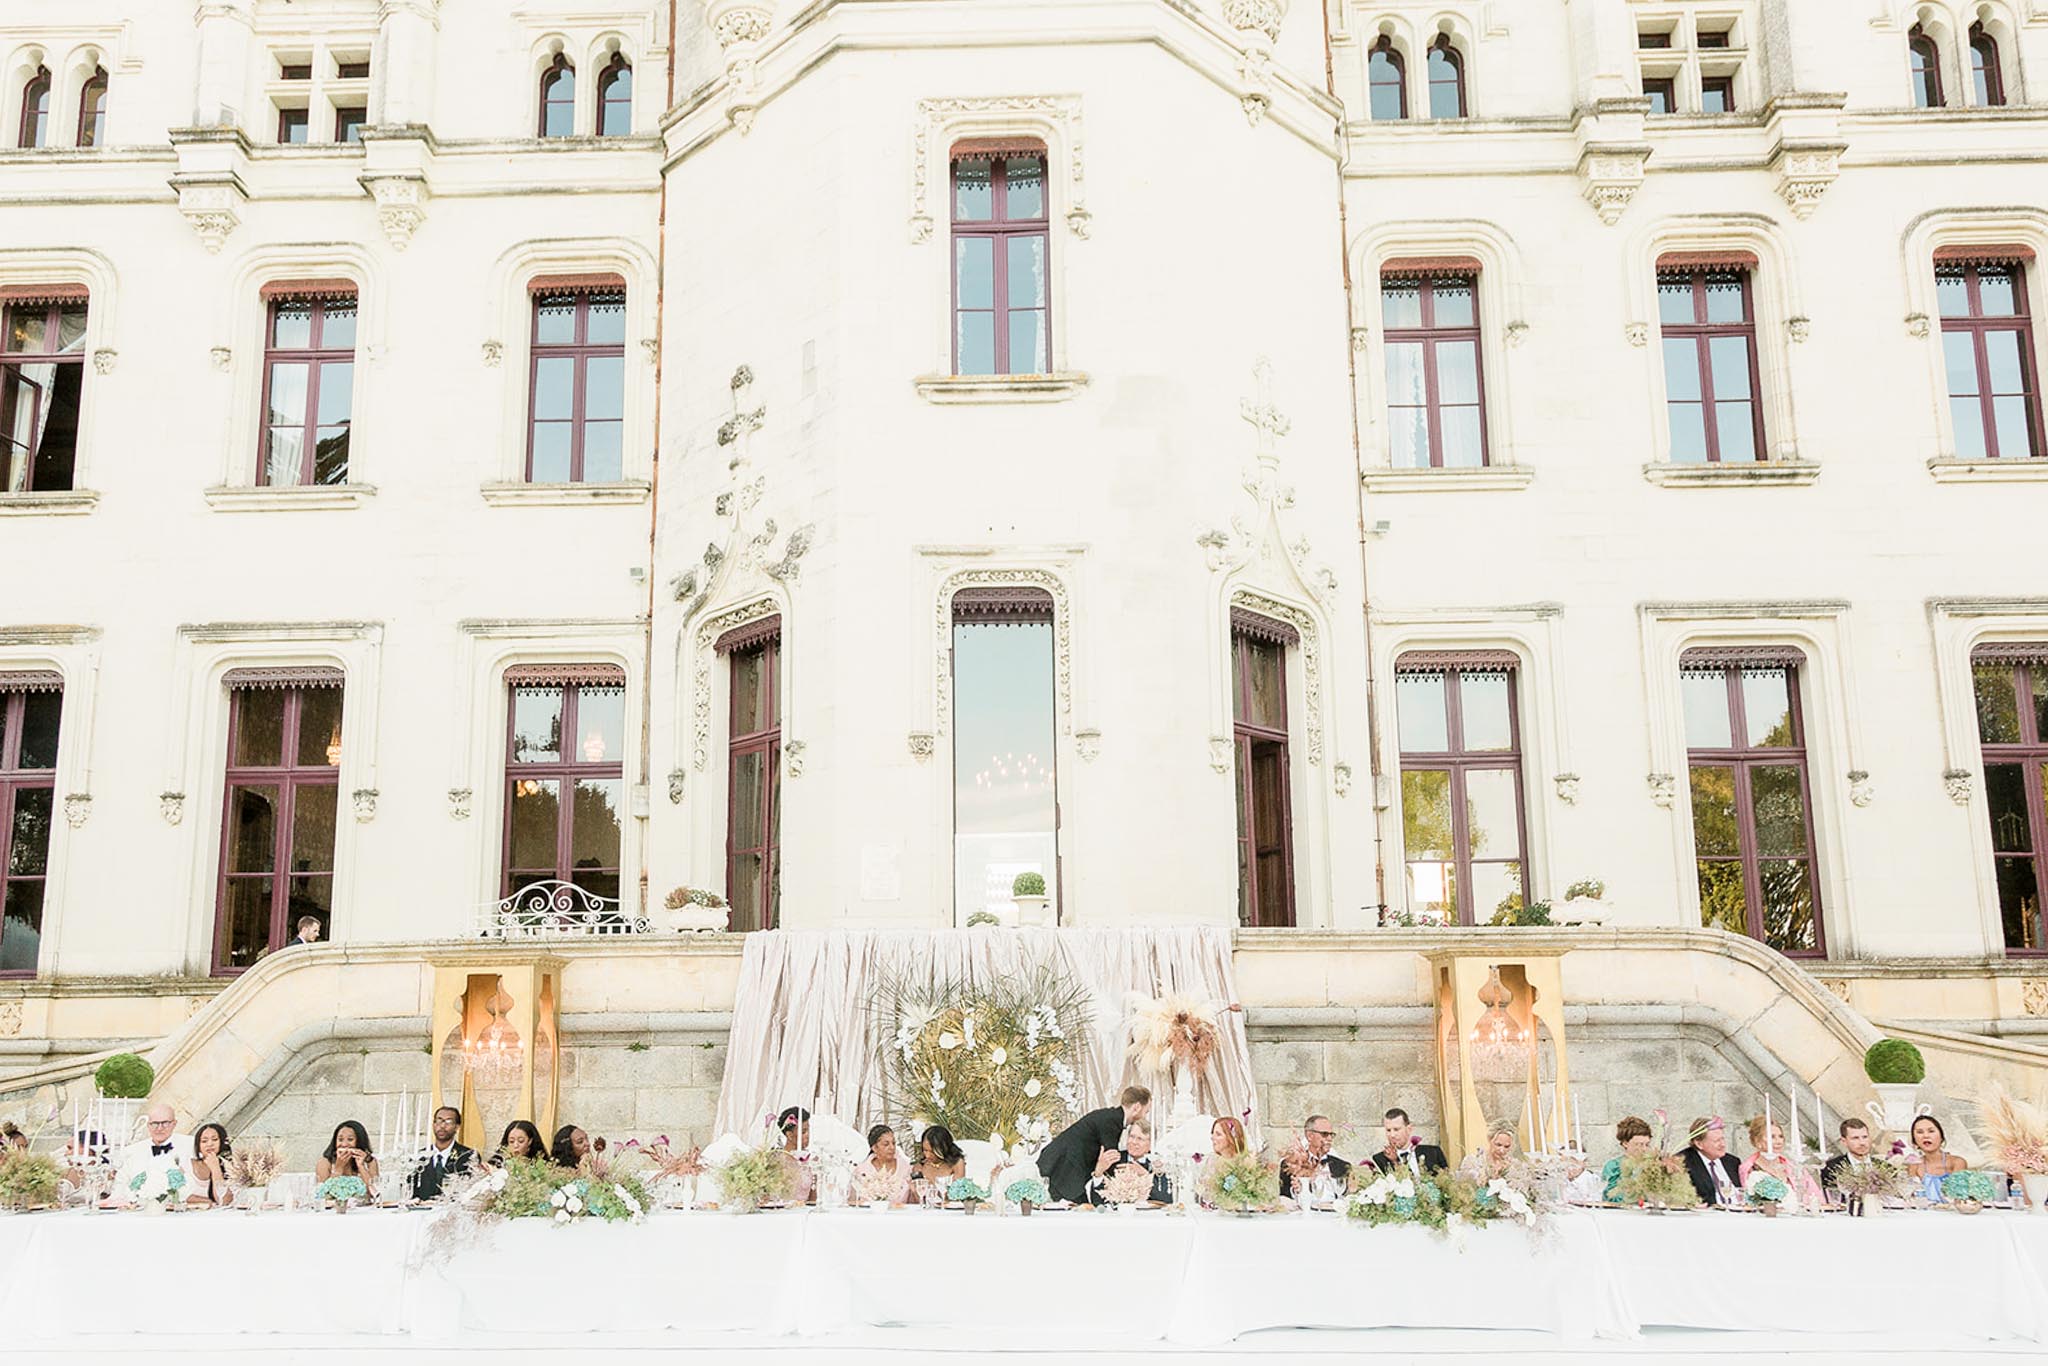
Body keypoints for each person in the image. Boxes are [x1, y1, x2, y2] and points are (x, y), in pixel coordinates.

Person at [1036, 1085, 1150, 1204]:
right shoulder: (1112, 1120)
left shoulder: (1110, 1116)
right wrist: (1132, 1174)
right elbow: (1110, 1157)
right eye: (1145, 1111)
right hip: (1064, 1170)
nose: (1144, 1116)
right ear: (1136, 1107)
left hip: (1065, 1168)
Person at [112, 1103, 194, 1206]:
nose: (159, 1128)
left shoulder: (191, 1145)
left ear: (174, 1123)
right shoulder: (131, 1151)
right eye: (154, 1123)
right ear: (148, 1125)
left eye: (165, 1123)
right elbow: (120, 1185)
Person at [1740, 1115, 1824, 1207]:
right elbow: (1750, 1201)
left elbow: (1815, 1195)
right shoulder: (1749, 1168)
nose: (1779, 1141)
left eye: (1781, 1136)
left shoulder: (1792, 1166)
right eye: (1772, 1137)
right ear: (1758, 1141)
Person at [1087, 1118, 1172, 1207]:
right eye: (1132, 1136)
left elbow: (1166, 1199)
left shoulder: (1158, 1163)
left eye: (1140, 1139)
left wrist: (1145, 1175)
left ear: (1151, 1144)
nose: (1134, 1142)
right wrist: (1098, 1173)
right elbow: (1097, 1202)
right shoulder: (1114, 1160)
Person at [410, 1105, 476, 1201]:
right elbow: (410, 1188)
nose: (442, 1126)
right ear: (433, 1124)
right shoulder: (419, 1156)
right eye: (439, 1120)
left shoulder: (468, 1155)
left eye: (448, 1122)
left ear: (457, 1127)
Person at [1282, 1113, 1355, 1197]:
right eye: (1324, 1134)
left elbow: (1347, 1197)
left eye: (1331, 1135)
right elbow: (1284, 1198)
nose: (1329, 1139)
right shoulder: (1291, 1164)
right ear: (1310, 1136)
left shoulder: (1343, 1166)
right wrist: (1297, 1191)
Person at [1679, 1116, 1743, 1206]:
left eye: (1723, 1139)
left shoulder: (1732, 1162)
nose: (1723, 1144)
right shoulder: (1683, 1162)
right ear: (1699, 1143)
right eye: (1717, 1141)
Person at [1368, 1108, 1448, 1178]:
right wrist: (1395, 1162)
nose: (1392, 1135)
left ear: (1409, 1129)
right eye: (1388, 1130)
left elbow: (1447, 1182)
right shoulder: (1379, 1160)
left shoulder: (1434, 1152)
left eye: (1396, 1129)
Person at [853, 1124, 913, 1205]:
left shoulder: (906, 1168)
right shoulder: (862, 1170)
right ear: (874, 1148)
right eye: (886, 1144)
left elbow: (913, 1201)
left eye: (893, 1143)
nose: (892, 1147)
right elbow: (853, 1200)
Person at [1903, 1114, 1968, 1188]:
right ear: (1914, 1140)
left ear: (1941, 1137)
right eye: (1920, 1132)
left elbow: (1958, 1194)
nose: (1926, 1136)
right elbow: (1911, 1195)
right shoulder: (1914, 1165)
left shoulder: (1957, 1162)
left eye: (1931, 1131)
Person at [1601, 1116, 1653, 1202]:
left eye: (1647, 1144)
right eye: (1639, 1144)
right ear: (1625, 1143)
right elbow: (1610, 1196)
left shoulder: (1652, 1165)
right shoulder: (1613, 1166)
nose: (1644, 1149)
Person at [315, 1120, 380, 1185]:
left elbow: (374, 1191)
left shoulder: (370, 1162)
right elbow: (323, 1193)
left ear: (359, 1142)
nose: (344, 1144)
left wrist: (361, 1166)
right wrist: (338, 1169)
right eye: (340, 1139)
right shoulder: (325, 1162)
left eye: (350, 1139)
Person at [1820, 1118, 1876, 1192]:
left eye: (1865, 1137)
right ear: (1844, 1141)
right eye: (1855, 1138)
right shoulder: (1832, 1168)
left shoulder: (1886, 1166)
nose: (1862, 1142)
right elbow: (1831, 1198)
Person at [186, 1122, 234, 1207]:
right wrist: (208, 1201)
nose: (209, 1144)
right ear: (198, 1146)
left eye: (215, 1139)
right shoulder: (188, 1165)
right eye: (204, 1141)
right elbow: (182, 1196)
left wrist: (216, 1169)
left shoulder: (232, 1167)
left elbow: (224, 1201)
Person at [914, 1124, 967, 1194]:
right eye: (925, 1150)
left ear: (943, 1148)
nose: (927, 1156)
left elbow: (957, 1194)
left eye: (932, 1152)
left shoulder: (957, 1163)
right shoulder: (920, 1166)